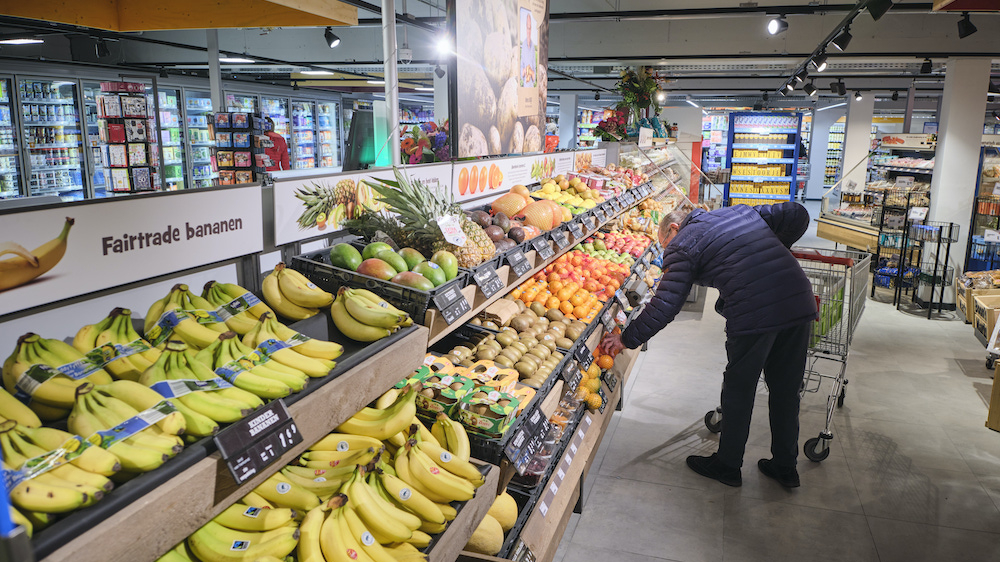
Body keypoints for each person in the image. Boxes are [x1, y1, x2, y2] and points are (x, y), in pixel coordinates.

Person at [599, 202, 817, 488]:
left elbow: (665, 305)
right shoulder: (737, 212)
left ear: (674, 229)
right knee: (787, 390)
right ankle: (786, 467)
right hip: (798, 299)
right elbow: (797, 213)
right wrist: (772, 248)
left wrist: (627, 338)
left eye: (664, 243)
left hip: (754, 312)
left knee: (739, 389)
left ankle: (727, 465)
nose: (666, 253)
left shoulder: (683, 245)